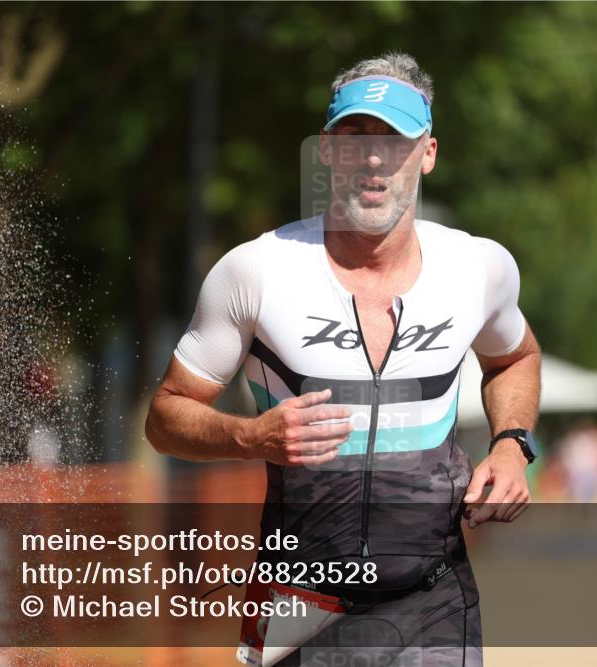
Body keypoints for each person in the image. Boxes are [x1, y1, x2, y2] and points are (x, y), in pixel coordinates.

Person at [145, 52, 542, 666]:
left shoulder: (478, 268)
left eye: (395, 140)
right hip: (299, 608)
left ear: (428, 153)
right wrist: (250, 437)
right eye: (355, 138)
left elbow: (515, 357)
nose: (374, 159)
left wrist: (512, 445)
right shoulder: (256, 270)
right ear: (327, 151)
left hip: (434, 602)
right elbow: (165, 416)